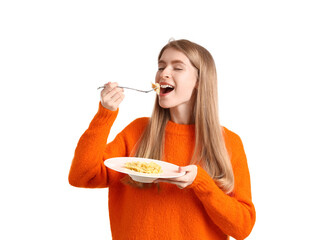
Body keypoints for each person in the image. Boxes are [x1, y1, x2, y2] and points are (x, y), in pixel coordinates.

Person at [68, 39, 256, 240]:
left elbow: (242, 227)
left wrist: (201, 184)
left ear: (199, 81)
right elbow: (82, 176)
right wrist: (105, 114)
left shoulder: (228, 143)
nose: (164, 73)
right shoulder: (137, 132)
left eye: (178, 67)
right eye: (161, 66)